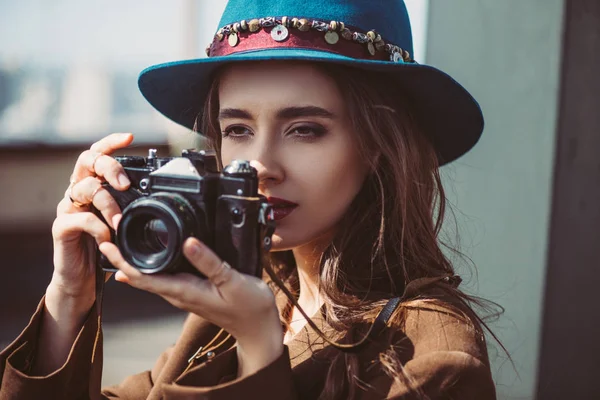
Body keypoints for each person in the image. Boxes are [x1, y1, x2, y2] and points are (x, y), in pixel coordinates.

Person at [0, 0, 500, 398]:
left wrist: (258, 349)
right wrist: (69, 298)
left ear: (378, 146)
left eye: (305, 130)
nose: (260, 164)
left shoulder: (435, 359)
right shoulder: (255, 296)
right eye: (237, 129)